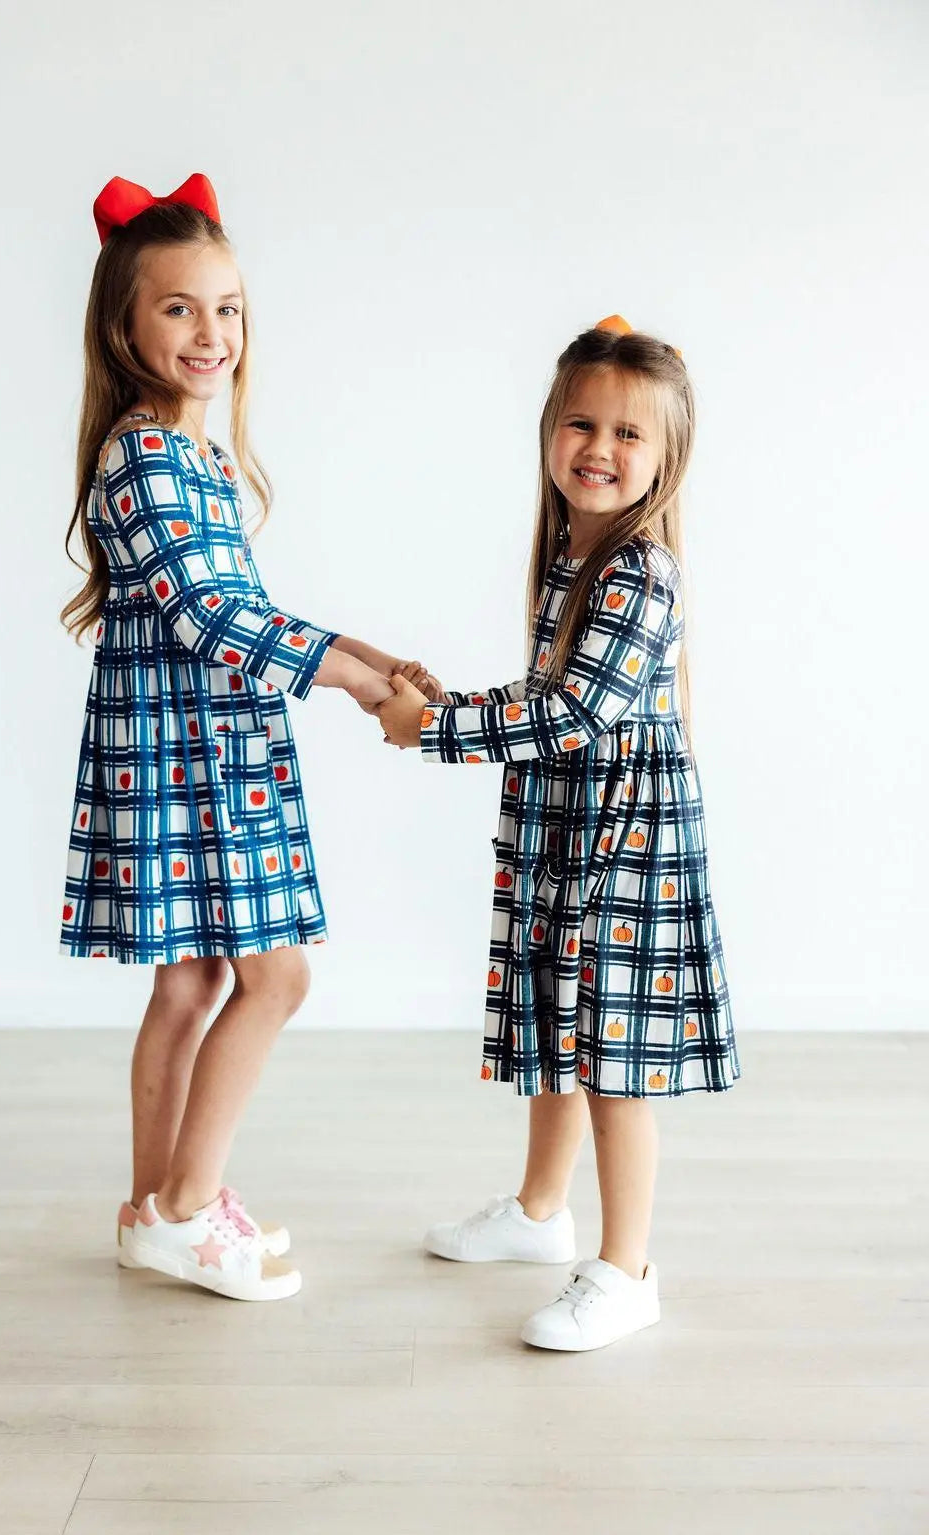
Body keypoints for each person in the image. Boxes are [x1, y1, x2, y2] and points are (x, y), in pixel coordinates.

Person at [59, 173, 422, 1301]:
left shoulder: (196, 458)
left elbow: (245, 604)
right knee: (275, 976)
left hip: (197, 750)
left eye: (227, 307)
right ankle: (183, 1206)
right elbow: (212, 619)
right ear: (125, 324)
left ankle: (154, 1208)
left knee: (192, 983)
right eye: (178, 308)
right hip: (186, 757)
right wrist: (359, 686)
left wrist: (367, 650)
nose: (210, 331)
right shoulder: (145, 458)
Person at [378, 317, 739, 1350]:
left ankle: (627, 1268)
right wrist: (450, 700)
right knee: (557, 1029)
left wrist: (436, 729)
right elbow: (549, 694)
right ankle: (542, 1211)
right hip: (567, 826)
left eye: (629, 432)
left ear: (666, 458)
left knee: (611, 1058)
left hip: (626, 842)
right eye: (582, 421)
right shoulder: (572, 559)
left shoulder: (638, 574)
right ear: (548, 430)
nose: (600, 446)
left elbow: (576, 713)